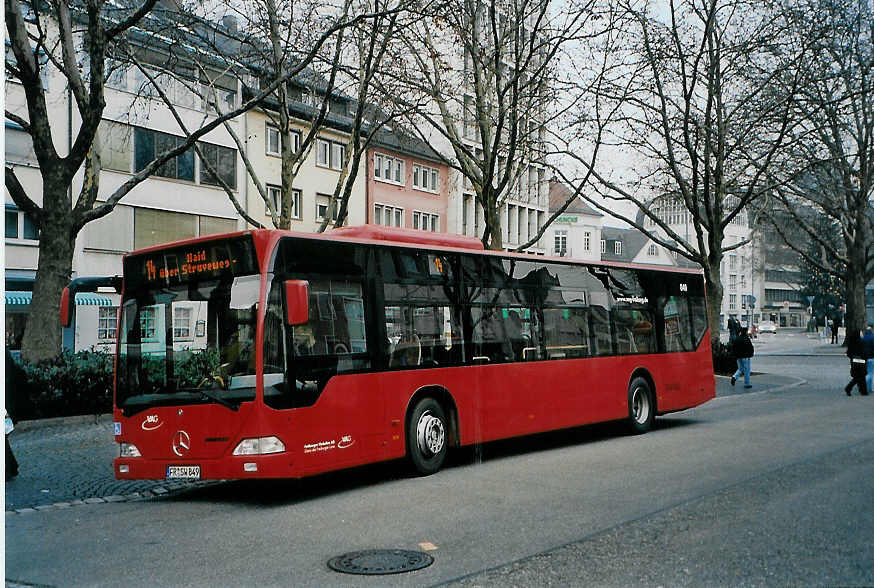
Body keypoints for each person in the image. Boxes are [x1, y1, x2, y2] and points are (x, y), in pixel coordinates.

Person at [845, 329, 868, 395]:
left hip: (854, 361)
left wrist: (852, 358)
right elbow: (864, 352)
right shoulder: (861, 342)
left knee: (857, 376)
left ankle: (861, 390)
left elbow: (848, 353)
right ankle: (861, 390)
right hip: (861, 360)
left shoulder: (851, 342)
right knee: (861, 376)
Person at [864, 325, 874, 393]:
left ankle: (868, 388)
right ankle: (868, 388)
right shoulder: (873, 338)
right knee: (870, 373)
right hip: (871, 357)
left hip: (864, 358)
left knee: (867, 372)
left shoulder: (863, 338)